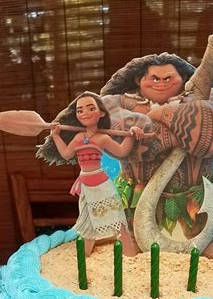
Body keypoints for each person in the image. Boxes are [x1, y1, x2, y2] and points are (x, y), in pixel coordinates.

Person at [98, 52, 213, 257]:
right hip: (138, 190)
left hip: (194, 191)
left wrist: (165, 114)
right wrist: (181, 132)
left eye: (168, 78)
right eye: (154, 78)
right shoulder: (112, 102)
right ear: (139, 79)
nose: (161, 83)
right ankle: (133, 238)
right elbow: (112, 130)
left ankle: (209, 238)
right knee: (132, 221)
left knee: (198, 216)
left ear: (183, 78)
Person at [42, 92, 140, 257]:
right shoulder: (78, 137)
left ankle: (129, 254)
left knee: (117, 219)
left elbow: (122, 151)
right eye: (80, 110)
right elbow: (66, 154)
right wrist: (56, 136)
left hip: (102, 184)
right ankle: (85, 254)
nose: (85, 113)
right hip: (86, 185)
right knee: (88, 220)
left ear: (101, 113)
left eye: (91, 108)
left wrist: (131, 135)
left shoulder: (103, 138)